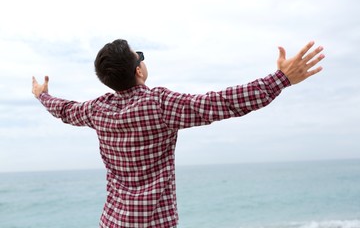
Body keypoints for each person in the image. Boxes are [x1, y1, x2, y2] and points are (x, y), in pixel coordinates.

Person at [32, 39, 325, 228]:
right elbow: (221, 103)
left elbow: (64, 110)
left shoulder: (97, 110)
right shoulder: (160, 104)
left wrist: (42, 96)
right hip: (156, 223)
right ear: (139, 71)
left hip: (112, 221)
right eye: (140, 56)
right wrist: (281, 79)